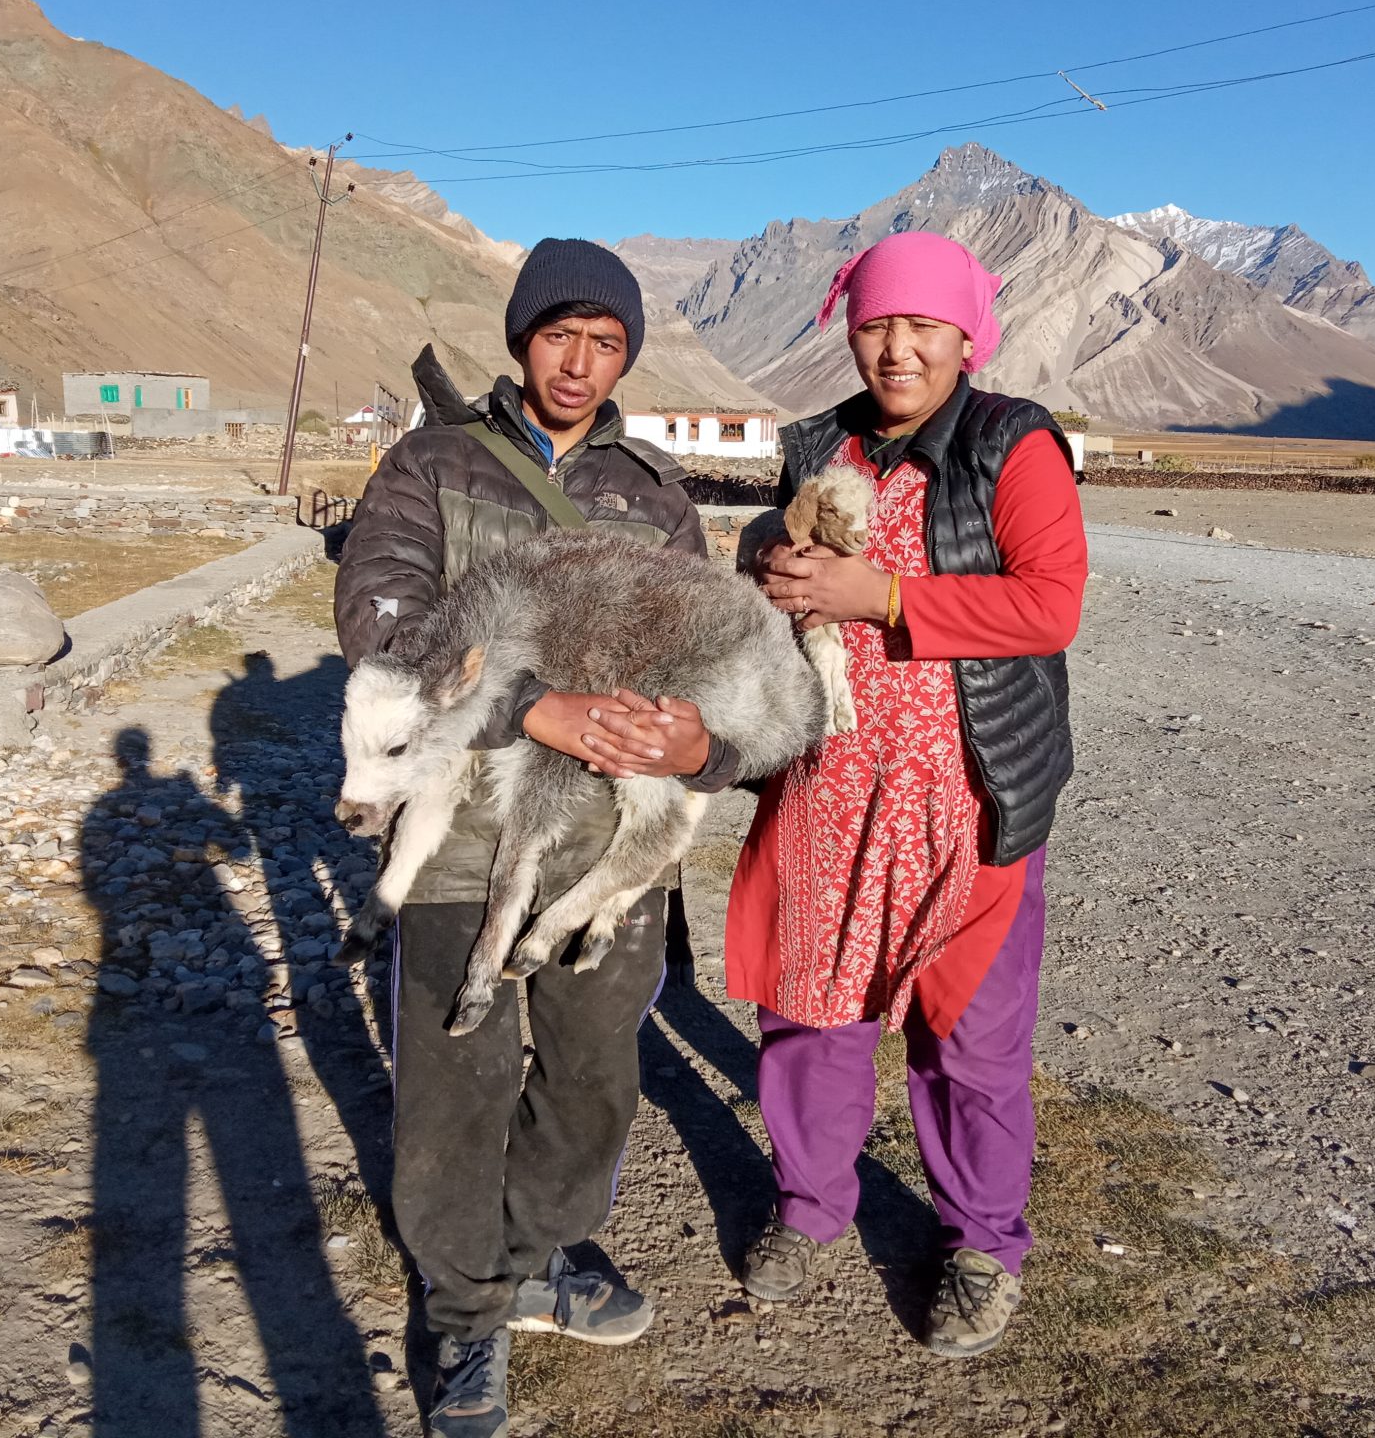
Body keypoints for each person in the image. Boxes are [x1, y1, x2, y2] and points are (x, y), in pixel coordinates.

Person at [334, 238, 740, 1438]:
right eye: (560, 335)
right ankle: (464, 1313)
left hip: (600, 849)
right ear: (521, 339)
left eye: (606, 343)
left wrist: (696, 741)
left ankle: (533, 1253)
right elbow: (383, 621)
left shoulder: (655, 497)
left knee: (592, 1080)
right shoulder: (431, 464)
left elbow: (711, 646)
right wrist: (526, 706)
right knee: (455, 1087)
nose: (579, 362)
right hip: (459, 837)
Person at [726, 230, 1089, 1357]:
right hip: (827, 788)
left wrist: (881, 594)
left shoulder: (1010, 443)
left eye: (923, 326)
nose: (897, 349)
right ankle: (808, 1207)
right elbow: (782, 563)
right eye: (877, 323)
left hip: (968, 800)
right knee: (811, 1014)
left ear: (966, 336)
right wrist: (767, 559)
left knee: (970, 1038)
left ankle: (982, 1244)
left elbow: (1049, 606)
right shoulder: (819, 444)